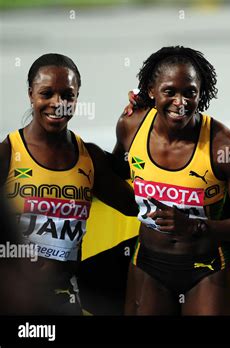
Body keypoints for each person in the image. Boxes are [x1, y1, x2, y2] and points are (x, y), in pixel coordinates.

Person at [113, 46, 230, 315]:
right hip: (148, 263)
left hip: (207, 267)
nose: (180, 103)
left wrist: (195, 226)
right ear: (151, 90)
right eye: (170, 91)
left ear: (201, 92)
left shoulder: (224, 146)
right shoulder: (130, 126)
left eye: (189, 92)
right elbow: (115, 171)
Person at [0, 53, 138, 315]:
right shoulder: (8, 154)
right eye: (47, 93)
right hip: (15, 299)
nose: (57, 103)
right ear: (31, 94)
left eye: (67, 95)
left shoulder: (89, 158)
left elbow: (135, 206)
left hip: (64, 299)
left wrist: (128, 133)